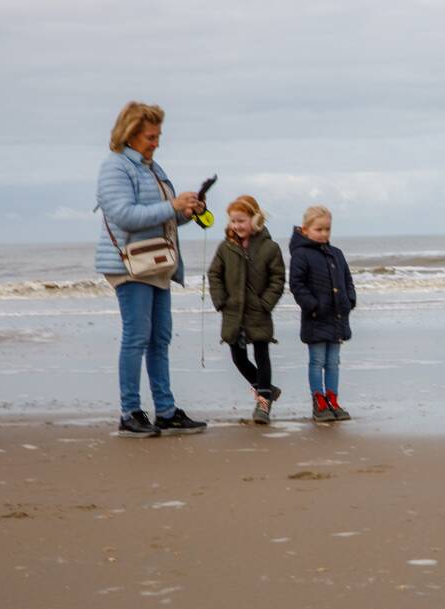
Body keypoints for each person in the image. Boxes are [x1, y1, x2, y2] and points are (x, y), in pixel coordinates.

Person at [94, 101, 208, 437]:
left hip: (157, 263)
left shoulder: (153, 168)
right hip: (129, 264)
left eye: (158, 136)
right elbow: (123, 215)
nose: (156, 142)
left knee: (160, 338)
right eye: (150, 136)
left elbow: (164, 219)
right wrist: (171, 205)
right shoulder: (115, 167)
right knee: (137, 336)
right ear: (129, 135)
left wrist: (186, 211)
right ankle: (130, 412)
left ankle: (166, 411)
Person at [207, 195, 286, 425]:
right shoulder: (226, 247)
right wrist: (220, 300)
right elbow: (214, 274)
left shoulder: (270, 248)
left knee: (262, 355)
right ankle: (267, 389)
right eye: (233, 221)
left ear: (255, 219)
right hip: (232, 312)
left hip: (259, 312)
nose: (237, 226)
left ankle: (263, 403)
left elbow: (278, 279)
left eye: (241, 220)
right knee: (238, 358)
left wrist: (266, 304)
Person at [289, 205, 356, 422]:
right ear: (306, 230)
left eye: (327, 229)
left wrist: (350, 300)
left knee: (333, 361)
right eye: (319, 229)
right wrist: (313, 306)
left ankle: (332, 399)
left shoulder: (336, 254)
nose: (324, 234)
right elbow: (297, 285)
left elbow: (347, 280)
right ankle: (319, 401)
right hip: (316, 318)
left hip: (337, 317)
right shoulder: (300, 255)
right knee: (317, 361)